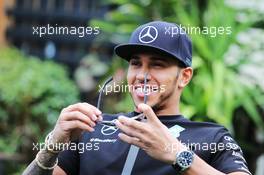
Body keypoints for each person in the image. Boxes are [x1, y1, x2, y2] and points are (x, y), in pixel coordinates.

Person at [23, 21, 251, 175]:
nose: (142, 75)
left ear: (184, 76)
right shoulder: (92, 130)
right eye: (135, 63)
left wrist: (176, 153)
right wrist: (53, 146)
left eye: (157, 64)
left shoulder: (212, 138)